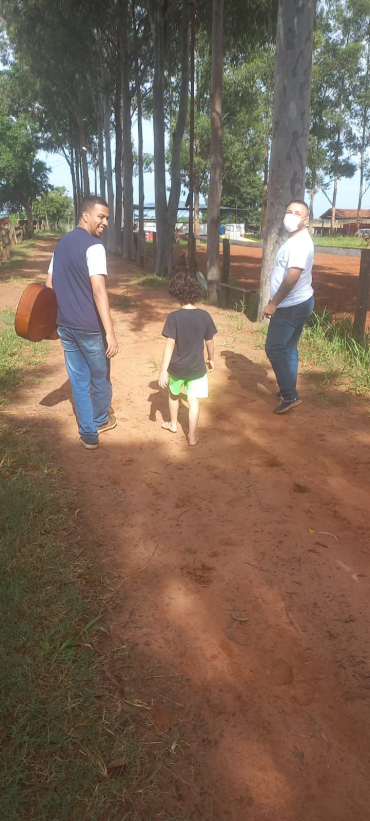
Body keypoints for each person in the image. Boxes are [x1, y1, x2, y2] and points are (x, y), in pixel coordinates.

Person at [46, 195, 118, 449]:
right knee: (100, 377)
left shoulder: (61, 244)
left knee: (78, 381)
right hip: (90, 327)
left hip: (65, 325)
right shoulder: (94, 246)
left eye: (107, 217)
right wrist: (109, 333)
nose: (105, 222)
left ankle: (88, 435)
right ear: (85, 215)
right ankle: (100, 420)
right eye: (101, 216)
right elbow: (99, 291)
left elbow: (48, 286)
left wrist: (53, 324)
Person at [262, 199, 314, 415]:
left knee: (274, 348)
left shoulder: (299, 243)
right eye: (289, 211)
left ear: (306, 220)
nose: (291, 216)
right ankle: (288, 388)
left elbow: (292, 278)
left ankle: (290, 395)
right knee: (289, 348)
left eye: (297, 213)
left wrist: (274, 303)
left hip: (290, 305)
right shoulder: (295, 239)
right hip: (300, 302)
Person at [158, 271, 217, 446]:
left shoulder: (174, 317)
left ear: (176, 293)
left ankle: (174, 424)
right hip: (197, 369)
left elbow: (169, 345)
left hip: (176, 368)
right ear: (195, 292)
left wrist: (163, 371)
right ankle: (191, 436)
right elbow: (209, 342)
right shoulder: (205, 316)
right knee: (193, 401)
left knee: (174, 395)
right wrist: (211, 359)